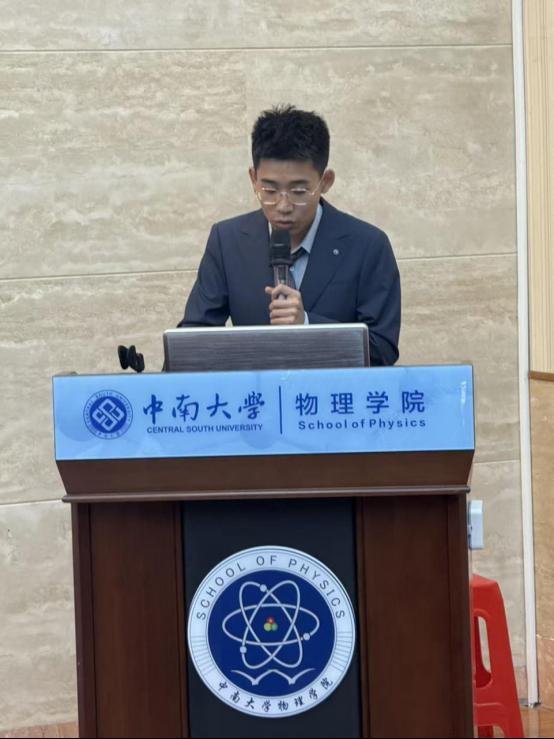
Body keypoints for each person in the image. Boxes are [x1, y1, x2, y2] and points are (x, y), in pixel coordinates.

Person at [178, 104, 400, 366]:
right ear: (253, 178)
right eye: (269, 191)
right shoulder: (227, 241)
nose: (283, 206)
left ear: (325, 181)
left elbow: (382, 350)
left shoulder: (368, 246)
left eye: (298, 191)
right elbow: (193, 341)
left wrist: (307, 324)